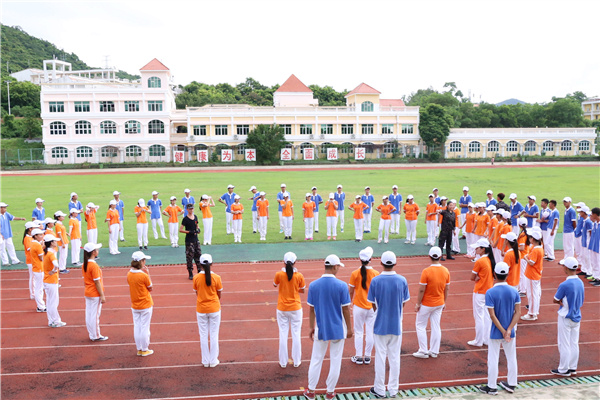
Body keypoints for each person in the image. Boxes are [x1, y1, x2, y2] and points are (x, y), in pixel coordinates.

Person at [304, 255, 352, 400]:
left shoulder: (314, 285)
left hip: (321, 328)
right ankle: (330, 392)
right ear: (335, 266)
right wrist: (349, 329)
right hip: (338, 329)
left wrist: (311, 327)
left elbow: (311, 309)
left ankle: (311, 391)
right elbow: (345, 309)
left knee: (316, 359)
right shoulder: (342, 286)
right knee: (336, 361)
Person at [367, 251, 410, 399]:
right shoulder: (402, 280)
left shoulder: (375, 281)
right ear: (395, 263)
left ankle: (379, 389)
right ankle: (393, 389)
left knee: (380, 357)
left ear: (381, 263)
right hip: (396, 325)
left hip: (380, 325)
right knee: (394, 357)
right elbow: (403, 302)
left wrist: (379, 312)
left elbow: (372, 303)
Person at [476, 262, 521, 395]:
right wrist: (509, 330)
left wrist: (502, 331)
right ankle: (512, 384)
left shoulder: (490, 292)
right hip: (510, 331)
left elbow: (492, 315)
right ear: (507, 274)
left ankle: (492, 386)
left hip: (496, 331)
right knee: (511, 357)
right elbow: (518, 312)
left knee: (493, 358)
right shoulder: (514, 291)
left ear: (494, 274)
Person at [413, 246, 450, 359]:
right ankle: (434, 351)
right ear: (440, 256)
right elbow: (446, 288)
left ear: (429, 256)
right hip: (439, 302)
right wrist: (444, 301)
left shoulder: (426, 271)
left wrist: (418, 303)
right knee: (436, 326)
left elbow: (421, 289)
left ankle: (423, 350)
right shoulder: (445, 270)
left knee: (420, 326)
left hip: (427, 303)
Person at [552, 257, 585, 376]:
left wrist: (561, 302)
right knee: (574, 343)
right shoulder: (580, 282)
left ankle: (563, 369)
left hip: (565, 316)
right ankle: (572, 367)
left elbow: (555, 299)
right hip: (577, 315)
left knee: (564, 343)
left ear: (566, 268)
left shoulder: (564, 284)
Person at [273, 252, 305, 368]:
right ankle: (296, 361)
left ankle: (283, 362)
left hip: (282, 308)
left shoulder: (279, 274)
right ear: (295, 262)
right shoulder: (299, 275)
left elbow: (275, 284)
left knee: (283, 334)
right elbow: (303, 290)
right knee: (296, 334)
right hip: (295, 307)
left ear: (284, 262)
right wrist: (295, 289)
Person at [348, 247, 378, 365]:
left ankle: (359, 356)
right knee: (370, 331)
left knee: (359, 332)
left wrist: (349, 304)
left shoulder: (355, 273)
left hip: (358, 306)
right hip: (372, 307)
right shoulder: (376, 274)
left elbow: (351, 291)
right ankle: (368, 356)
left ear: (360, 259)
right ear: (371, 259)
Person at [193, 254, 223, 367]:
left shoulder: (196, 278)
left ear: (199, 264)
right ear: (212, 264)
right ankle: (213, 360)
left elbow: (197, 292)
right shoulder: (217, 277)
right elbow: (219, 293)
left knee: (203, 335)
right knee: (214, 334)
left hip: (201, 309)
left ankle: (205, 361)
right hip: (214, 308)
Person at [468, 238, 495, 347]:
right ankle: (486, 339)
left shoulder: (480, 261)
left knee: (479, 316)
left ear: (483, 249)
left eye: (477, 248)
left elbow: (472, 277)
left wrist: (477, 278)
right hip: (488, 291)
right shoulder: (490, 259)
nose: (475, 250)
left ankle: (478, 340)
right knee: (487, 316)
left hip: (480, 291)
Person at [128, 251, 154, 356]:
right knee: (145, 327)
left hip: (135, 304)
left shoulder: (129, 274)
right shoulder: (143, 275)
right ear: (141, 262)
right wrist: (148, 274)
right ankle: (145, 349)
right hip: (145, 304)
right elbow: (150, 288)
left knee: (137, 326)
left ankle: (139, 348)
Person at [82, 242, 108, 341]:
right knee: (95, 315)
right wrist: (102, 295)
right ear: (93, 252)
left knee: (89, 314)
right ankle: (96, 335)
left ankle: (92, 334)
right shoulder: (94, 266)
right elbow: (97, 282)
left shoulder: (84, 264)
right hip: (94, 293)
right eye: (97, 249)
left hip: (88, 292)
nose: (98, 251)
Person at [43, 234, 66, 327]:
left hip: (47, 280)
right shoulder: (50, 254)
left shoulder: (45, 253)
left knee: (49, 302)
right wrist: (54, 270)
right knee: (53, 302)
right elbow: (56, 264)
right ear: (51, 243)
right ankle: (56, 321)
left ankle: (51, 320)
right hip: (51, 281)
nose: (56, 242)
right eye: (55, 241)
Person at [521, 229, 544, 321]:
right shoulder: (538, 248)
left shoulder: (536, 250)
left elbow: (531, 262)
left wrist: (525, 258)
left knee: (532, 295)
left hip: (532, 274)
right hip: (535, 274)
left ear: (533, 239)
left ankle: (532, 314)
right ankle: (534, 311)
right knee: (535, 294)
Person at [180, 203, 202, 280]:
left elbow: (197, 225)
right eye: (190, 209)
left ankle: (199, 270)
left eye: (192, 208)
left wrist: (198, 229)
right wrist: (189, 232)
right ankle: (190, 272)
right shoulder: (185, 219)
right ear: (187, 209)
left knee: (198, 255)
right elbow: (181, 229)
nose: (191, 210)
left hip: (196, 240)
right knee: (190, 257)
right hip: (189, 241)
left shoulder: (195, 217)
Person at [30, 228, 46, 312]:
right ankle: (41, 306)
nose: (42, 236)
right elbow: (41, 258)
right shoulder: (37, 245)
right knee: (39, 288)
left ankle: (41, 305)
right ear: (35, 236)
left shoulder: (34, 243)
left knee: (39, 287)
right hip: (39, 268)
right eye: (40, 235)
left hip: (37, 268)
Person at [23, 222, 36, 299]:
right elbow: (29, 248)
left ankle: (34, 292)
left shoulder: (31, 237)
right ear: (30, 229)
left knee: (34, 277)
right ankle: (32, 293)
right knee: (32, 277)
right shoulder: (27, 238)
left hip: (33, 259)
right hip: (30, 260)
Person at [588, 208, 600, 286]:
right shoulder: (595, 223)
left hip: (598, 246)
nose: (591, 215)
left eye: (592, 214)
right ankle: (596, 277)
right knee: (594, 262)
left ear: (595, 214)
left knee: (598, 262)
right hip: (593, 246)